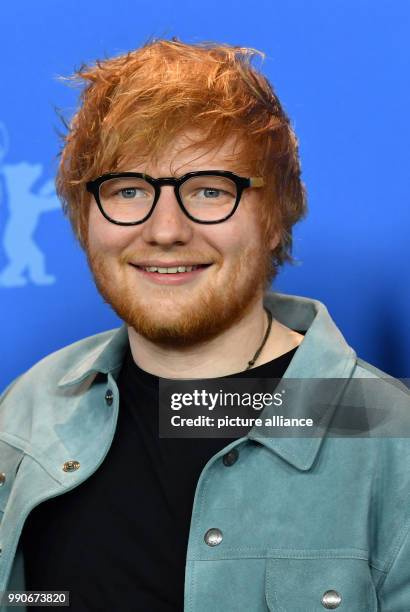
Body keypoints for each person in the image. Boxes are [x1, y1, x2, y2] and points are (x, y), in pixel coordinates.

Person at [0, 39, 409, 612]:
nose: (165, 229)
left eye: (210, 190)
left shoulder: (393, 440)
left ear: (275, 216)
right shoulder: (26, 412)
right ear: (85, 219)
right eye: (129, 190)